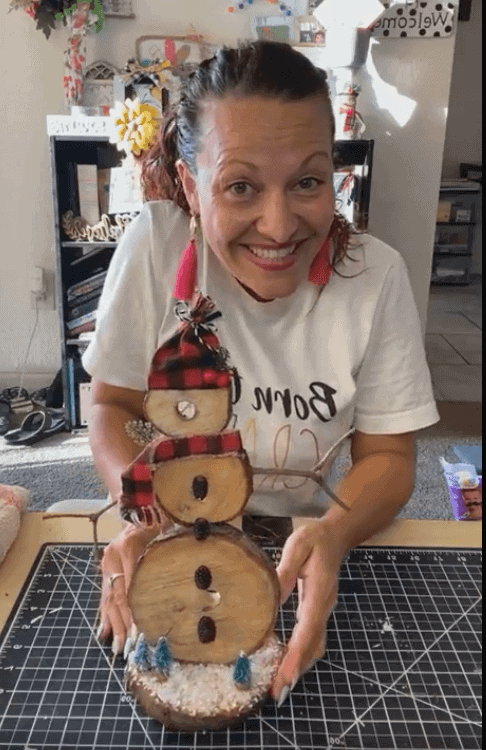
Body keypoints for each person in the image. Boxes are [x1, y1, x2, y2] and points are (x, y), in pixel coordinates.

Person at [82, 40, 440, 707]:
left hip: (298, 543)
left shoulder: (377, 275)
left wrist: (332, 531)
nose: (279, 226)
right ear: (191, 186)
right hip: (173, 529)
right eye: (240, 185)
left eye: (307, 181)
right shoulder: (156, 248)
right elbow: (107, 407)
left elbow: (389, 456)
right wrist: (144, 513)